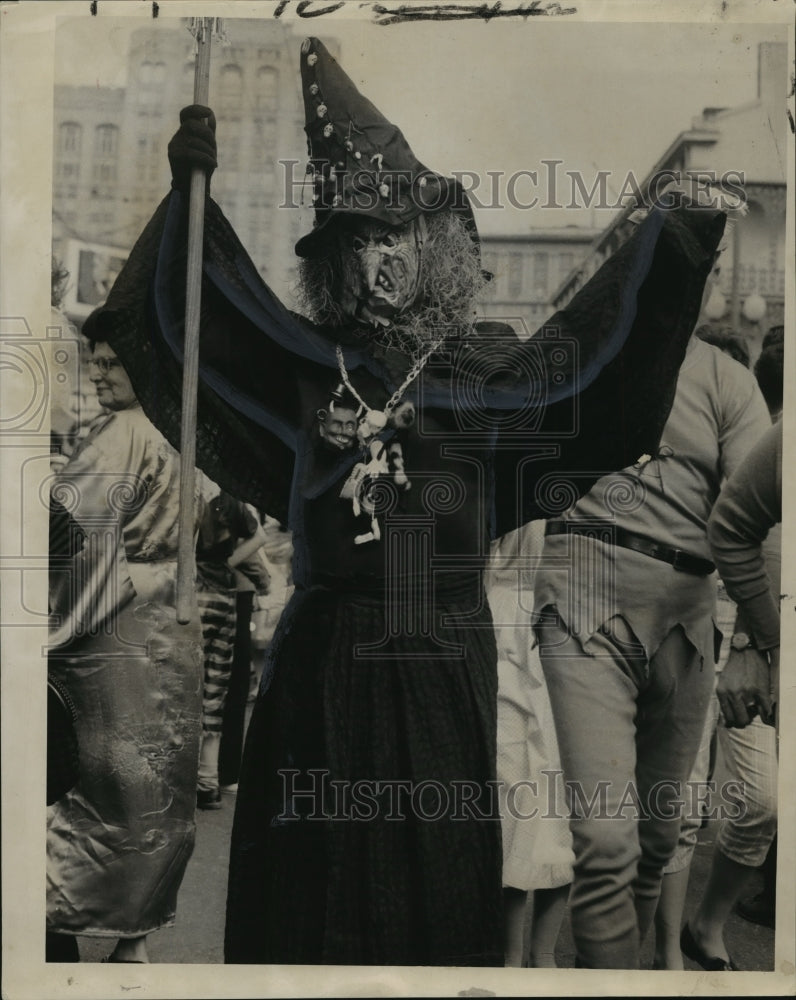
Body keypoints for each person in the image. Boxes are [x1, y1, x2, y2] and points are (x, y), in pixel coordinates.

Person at [84, 38, 729, 966]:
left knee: (425, 886)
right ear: (335, 262)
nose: (380, 260)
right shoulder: (303, 366)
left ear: (438, 248)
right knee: (310, 888)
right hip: (320, 661)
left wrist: (676, 242)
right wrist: (188, 195)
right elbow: (200, 318)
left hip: (438, 661)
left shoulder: (481, 369)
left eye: (397, 237)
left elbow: (597, 367)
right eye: (357, 241)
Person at [533, 302, 771, 967]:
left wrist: (754, 644)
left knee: (656, 842)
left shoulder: (726, 379)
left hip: (688, 610)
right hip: (582, 590)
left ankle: (609, 977)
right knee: (606, 841)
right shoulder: (575, 352)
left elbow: (762, 509)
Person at [46, 340, 203, 964]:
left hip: (114, 625)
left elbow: (70, 540)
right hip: (174, 622)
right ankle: (134, 935)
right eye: (97, 361)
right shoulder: (182, 429)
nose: (100, 372)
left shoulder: (121, 435)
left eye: (113, 362)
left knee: (95, 786)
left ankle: (57, 914)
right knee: (159, 786)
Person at [680, 416, 782, 969]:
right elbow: (737, 533)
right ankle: (703, 924)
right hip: (756, 642)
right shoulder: (771, 446)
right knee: (760, 801)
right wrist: (751, 642)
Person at [486, 522, 574, 967]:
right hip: (506, 623)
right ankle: (514, 953)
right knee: (516, 791)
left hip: (559, 625)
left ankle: (540, 951)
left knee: (555, 795)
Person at [194, 489, 267, 809]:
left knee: (180, 688)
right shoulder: (229, 497)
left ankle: (181, 779)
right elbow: (259, 536)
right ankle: (208, 782)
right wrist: (226, 561)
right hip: (224, 600)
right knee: (215, 690)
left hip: (190, 597)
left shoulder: (188, 492)